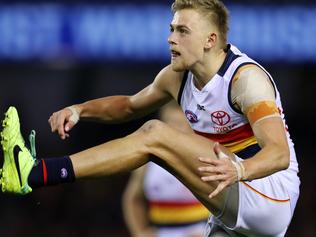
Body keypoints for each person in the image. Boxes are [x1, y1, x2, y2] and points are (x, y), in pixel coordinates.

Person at [0, 0, 300, 236]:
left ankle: (36, 173)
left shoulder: (245, 80)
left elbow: (279, 153)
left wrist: (239, 171)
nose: (171, 39)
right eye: (172, 29)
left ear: (210, 39)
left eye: (183, 31)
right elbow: (129, 106)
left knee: (154, 134)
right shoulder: (177, 78)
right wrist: (80, 109)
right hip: (229, 204)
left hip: (268, 194)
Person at [122, 103, 209, 237]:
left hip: (201, 230)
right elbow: (133, 199)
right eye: (171, 124)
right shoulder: (147, 163)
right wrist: (139, 232)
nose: (175, 130)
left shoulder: (207, 158)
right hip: (161, 232)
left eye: (181, 124)